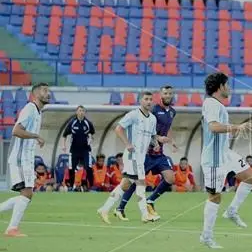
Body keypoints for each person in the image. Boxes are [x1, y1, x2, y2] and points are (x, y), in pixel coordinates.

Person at [199, 72, 252, 248]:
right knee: (215, 197)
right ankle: (206, 236)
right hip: (214, 158)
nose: (230, 88)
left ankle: (232, 211)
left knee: (251, 177)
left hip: (225, 153)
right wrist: (236, 127)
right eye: (228, 84)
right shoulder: (211, 104)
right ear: (220, 86)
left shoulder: (218, 105)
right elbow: (213, 127)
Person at [96, 91, 170, 224]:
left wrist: (156, 144)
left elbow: (152, 136)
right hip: (132, 156)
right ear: (140, 101)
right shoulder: (133, 115)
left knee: (124, 185)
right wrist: (127, 143)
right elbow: (118, 129)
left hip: (142, 157)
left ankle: (104, 209)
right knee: (141, 184)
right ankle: (145, 214)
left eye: (150, 99)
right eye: (146, 99)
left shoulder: (152, 119)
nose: (148, 101)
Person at [115, 85, 178, 221]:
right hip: (147, 153)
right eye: (165, 93)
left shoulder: (172, 112)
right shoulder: (153, 109)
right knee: (134, 182)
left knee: (170, 178)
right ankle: (120, 208)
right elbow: (147, 129)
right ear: (160, 95)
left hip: (159, 153)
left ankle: (150, 201)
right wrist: (157, 139)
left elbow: (169, 126)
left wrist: (171, 141)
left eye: (170, 93)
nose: (168, 95)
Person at [0, 83, 49, 237]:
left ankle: (12, 227)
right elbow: (16, 130)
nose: (48, 93)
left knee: (27, 195)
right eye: (44, 90)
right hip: (20, 158)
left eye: (48, 91)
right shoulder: (29, 109)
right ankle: (12, 228)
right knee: (27, 193)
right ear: (35, 94)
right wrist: (36, 136)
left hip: (26, 159)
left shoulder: (39, 112)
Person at [60, 105, 95, 189]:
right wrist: (63, 145)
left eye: (83, 111)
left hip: (85, 150)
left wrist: (91, 139)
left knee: (89, 168)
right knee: (71, 168)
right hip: (74, 150)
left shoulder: (88, 123)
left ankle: (91, 187)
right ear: (76, 112)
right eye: (80, 110)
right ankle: (71, 186)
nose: (81, 112)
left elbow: (92, 134)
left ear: (85, 112)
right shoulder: (72, 123)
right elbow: (64, 135)